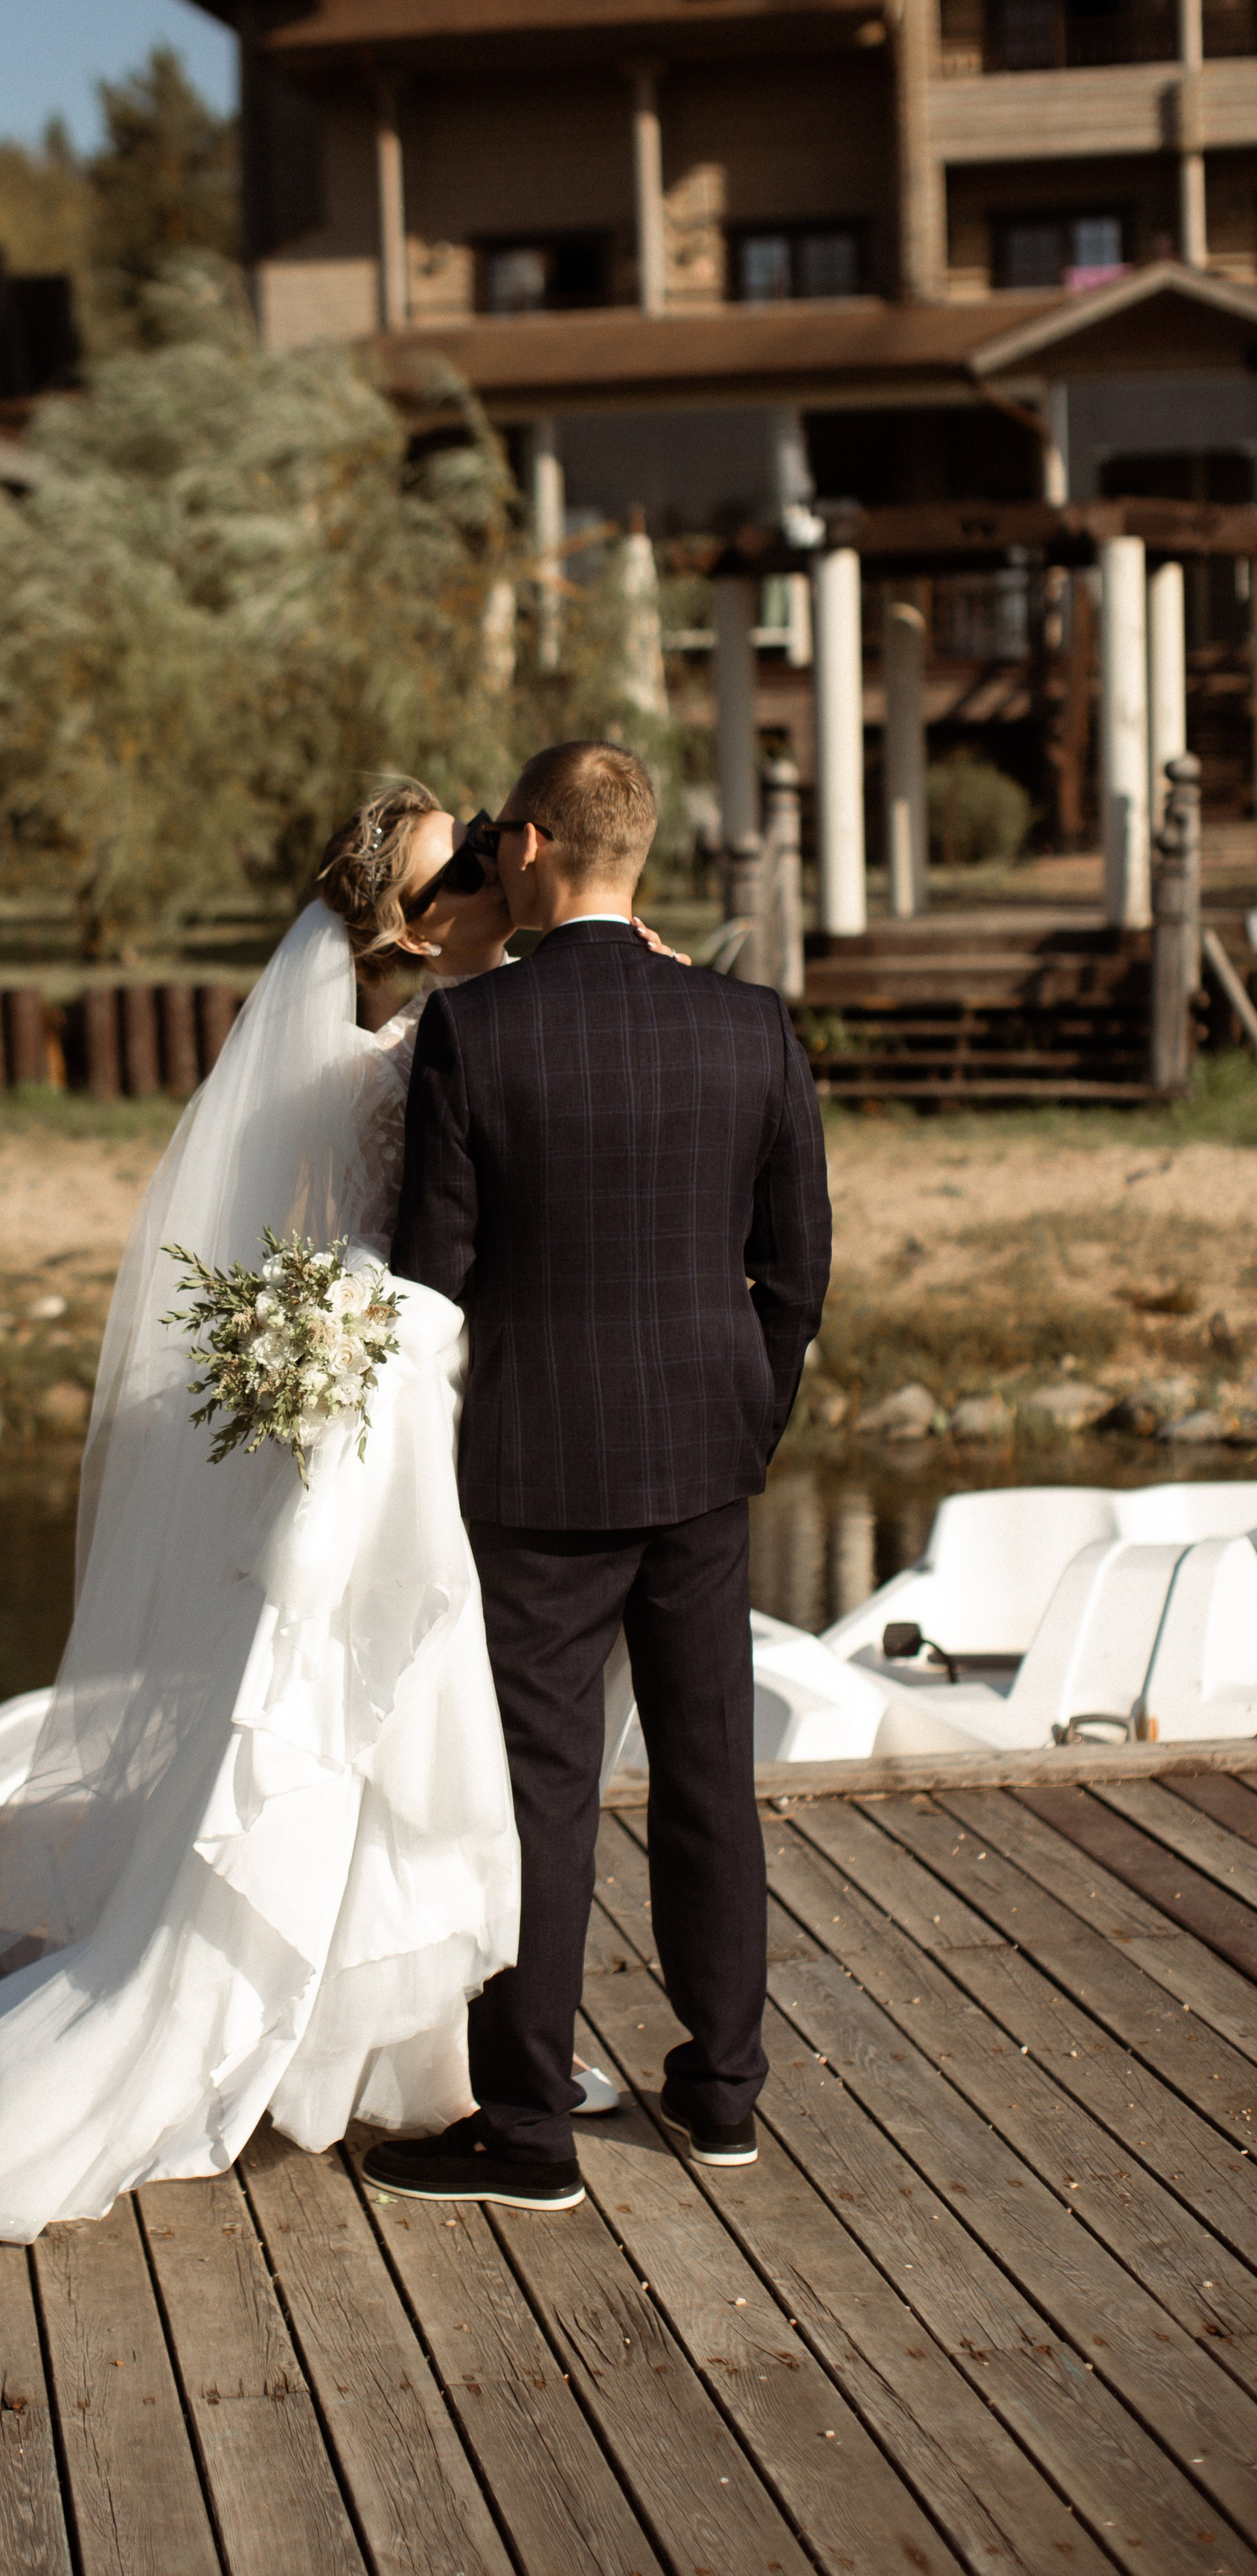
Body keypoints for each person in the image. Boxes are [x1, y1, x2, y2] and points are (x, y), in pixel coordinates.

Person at [0, 783, 541, 2248]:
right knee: (353, 1725)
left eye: (475, 840)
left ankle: (397, 2048)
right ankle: (299, 2037)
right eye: (448, 857)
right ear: (407, 912)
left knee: (392, 1731)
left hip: (404, 1418)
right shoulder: (412, 1051)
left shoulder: (431, 1033)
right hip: (394, 1424)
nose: (479, 860)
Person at [363, 740, 831, 2214]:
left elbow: (429, 1278)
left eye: (508, 841)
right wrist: (740, 1422)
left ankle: (525, 2130)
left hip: (532, 1467)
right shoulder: (749, 1024)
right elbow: (795, 1269)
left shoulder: (474, 1034)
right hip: (701, 1458)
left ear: (539, 848)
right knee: (707, 1776)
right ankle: (719, 2097)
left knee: (540, 1794)